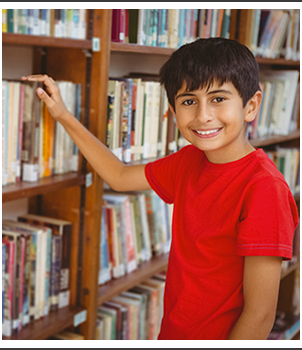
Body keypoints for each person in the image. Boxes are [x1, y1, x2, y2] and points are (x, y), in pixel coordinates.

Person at [21, 37, 299, 340]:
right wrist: (63, 115)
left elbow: (259, 317)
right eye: (189, 101)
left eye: (218, 99)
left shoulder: (264, 189)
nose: (203, 115)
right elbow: (119, 175)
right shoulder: (189, 161)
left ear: (251, 106)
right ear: (173, 110)